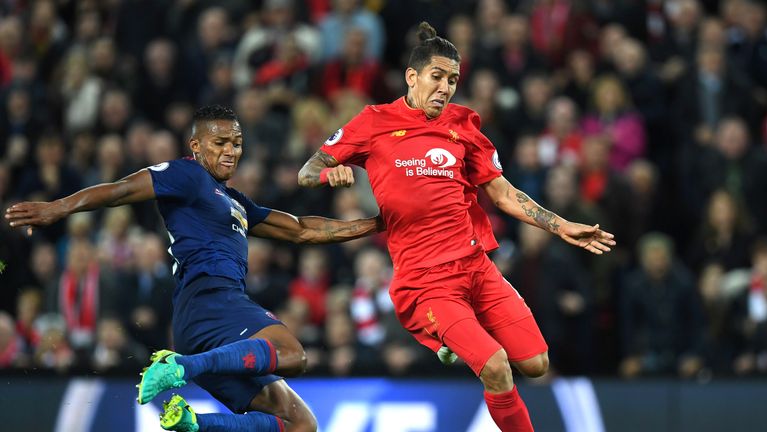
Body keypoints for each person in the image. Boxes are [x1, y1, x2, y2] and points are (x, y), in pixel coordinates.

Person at [298, 22, 615, 432]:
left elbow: (502, 194)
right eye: (437, 77)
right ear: (412, 77)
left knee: (536, 364)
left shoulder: (464, 126)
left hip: (476, 267)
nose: (445, 88)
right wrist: (330, 176)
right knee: (497, 368)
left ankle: (454, 339)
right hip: (426, 281)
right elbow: (309, 170)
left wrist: (560, 226)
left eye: (452, 80)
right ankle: (453, 336)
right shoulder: (373, 122)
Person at [6, 105, 383, 432]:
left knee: (301, 423)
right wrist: (58, 208)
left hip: (206, 319)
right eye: (220, 143)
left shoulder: (235, 201)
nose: (231, 151)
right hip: (209, 299)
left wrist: (377, 224)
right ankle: (181, 366)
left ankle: (192, 422)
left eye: (236, 143)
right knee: (293, 354)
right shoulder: (186, 176)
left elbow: (301, 230)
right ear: (196, 146)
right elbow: (120, 189)